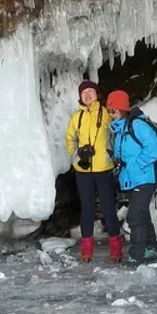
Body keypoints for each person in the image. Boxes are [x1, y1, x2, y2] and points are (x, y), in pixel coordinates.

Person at [64, 80, 122, 263]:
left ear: (97, 95)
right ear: (80, 97)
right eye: (84, 92)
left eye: (91, 91)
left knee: (108, 208)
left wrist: (111, 155)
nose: (87, 95)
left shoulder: (106, 113)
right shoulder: (77, 117)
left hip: (104, 169)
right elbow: (70, 138)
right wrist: (76, 157)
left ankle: (116, 250)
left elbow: (116, 134)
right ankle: (87, 250)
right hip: (83, 170)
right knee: (86, 209)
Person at [106, 90, 157, 266]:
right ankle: (151, 249)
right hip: (132, 180)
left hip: (144, 179)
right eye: (109, 111)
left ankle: (136, 255)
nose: (111, 114)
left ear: (122, 109)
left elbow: (154, 148)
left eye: (113, 110)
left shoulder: (137, 126)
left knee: (134, 217)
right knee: (142, 215)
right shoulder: (120, 131)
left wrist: (138, 165)